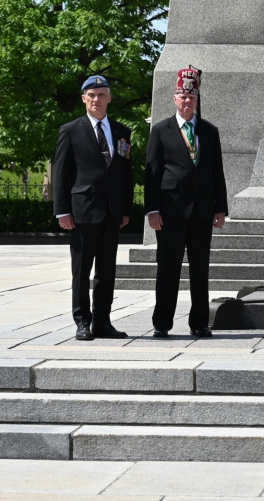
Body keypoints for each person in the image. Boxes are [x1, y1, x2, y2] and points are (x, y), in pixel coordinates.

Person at [145, 67, 229, 339]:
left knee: (200, 270)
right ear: (174, 98)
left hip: (202, 211)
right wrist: (152, 209)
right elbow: (153, 172)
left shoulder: (209, 131)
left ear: (197, 99)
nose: (187, 101)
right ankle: (162, 323)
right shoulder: (161, 130)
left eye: (191, 97)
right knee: (167, 269)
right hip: (170, 212)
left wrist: (220, 207)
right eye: (182, 96)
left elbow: (217, 170)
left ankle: (199, 323)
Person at [52, 75, 134, 341]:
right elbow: (61, 173)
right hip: (82, 213)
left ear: (110, 98)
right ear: (84, 99)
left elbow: (125, 172)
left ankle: (103, 322)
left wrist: (125, 209)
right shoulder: (71, 130)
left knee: (106, 272)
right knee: (82, 271)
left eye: (102, 94)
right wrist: (62, 210)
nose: (96, 99)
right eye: (92, 95)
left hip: (111, 213)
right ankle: (82, 322)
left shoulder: (122, 131)